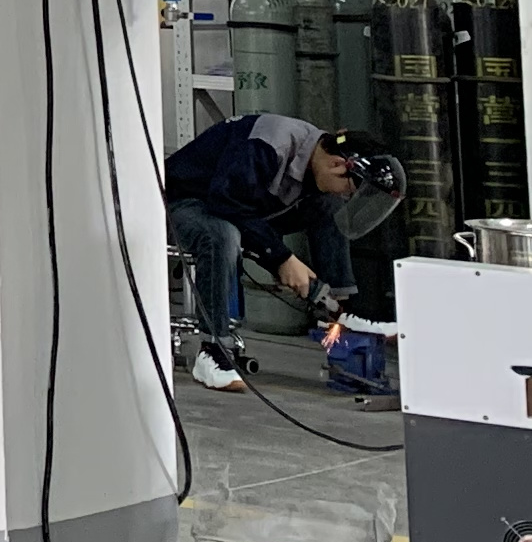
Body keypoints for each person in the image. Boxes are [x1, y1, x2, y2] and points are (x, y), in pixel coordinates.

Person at [163, 111, 386, 388]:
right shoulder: (269, 145)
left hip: (237, 204)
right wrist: (281, 259)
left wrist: (283, 261)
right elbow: (227, 203)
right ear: (337, 164)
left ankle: (340, 307)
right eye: (348, 188)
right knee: (222, 234)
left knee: (328, 206)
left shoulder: (315, 153)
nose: (345, 194)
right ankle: (213, 350)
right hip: (184, 201)